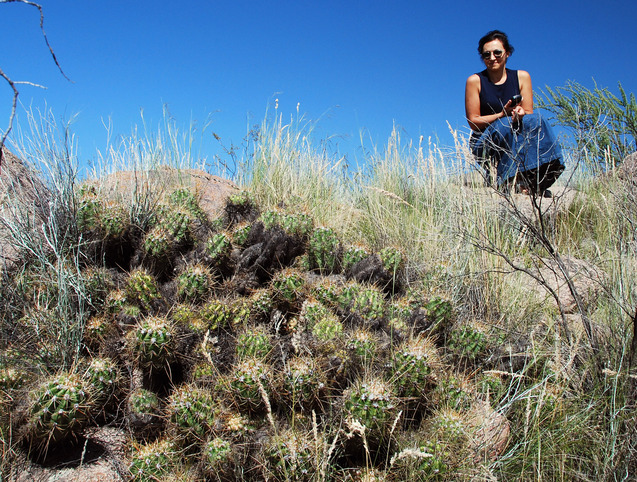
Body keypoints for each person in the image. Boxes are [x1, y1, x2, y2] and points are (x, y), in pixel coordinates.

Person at [465, 30, 564, 197]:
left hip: (516, 132)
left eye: (497, 52)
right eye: (486, 54)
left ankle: (542, 174)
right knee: (504, 124)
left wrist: (519, 112)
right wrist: (502, 114)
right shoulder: (474, 81)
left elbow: (529, 115)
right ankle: (507, 180)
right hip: (484, 141)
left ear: (507, 53)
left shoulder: (522, 77)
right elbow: (473, 122)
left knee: (537, 119)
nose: (492, 57)